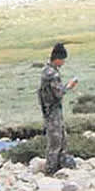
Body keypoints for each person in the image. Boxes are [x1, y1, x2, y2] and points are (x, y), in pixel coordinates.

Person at [38, 43, 79, 175]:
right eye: (62, 60)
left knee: (60, 137)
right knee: (56, 140)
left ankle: (60, 166)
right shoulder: (52, 74)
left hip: (50, 109)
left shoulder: (46, 70)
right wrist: (69, 86)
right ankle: (50, 170)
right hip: (53, 110)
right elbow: (59, 93)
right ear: (57, 58)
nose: (63, 63)